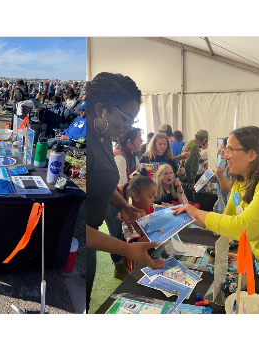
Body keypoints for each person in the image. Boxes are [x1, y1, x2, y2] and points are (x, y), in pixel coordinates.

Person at [172, 126, 259, 294]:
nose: (224, 155)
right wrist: (189, 216)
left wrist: (197, 212)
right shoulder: (240, 182)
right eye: (225, 149)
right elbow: (226, 219)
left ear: (252, 154)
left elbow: (243, 226)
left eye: (230, 150)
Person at [85, 72, 165, 313]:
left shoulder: (103, 136)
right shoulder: (85, 144)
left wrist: (122, 205)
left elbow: (102, 183)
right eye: (126, 118)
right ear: (101, 109)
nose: (128, 127)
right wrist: (127, 249)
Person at [106, 127, 143, 279]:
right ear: (130, 141)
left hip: (121, 200)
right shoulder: (120, 156)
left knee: (121, 233)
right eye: (139, 138)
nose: (141, 141)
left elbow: (141, 171)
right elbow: (121, 185)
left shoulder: (132, 155)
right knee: (115, 235)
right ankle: (118, 267)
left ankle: (122, 262)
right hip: (112, 201)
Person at [120, 168, 158, 272]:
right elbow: (136, 245)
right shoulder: (129, 219)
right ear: (136, 197)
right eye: (151, 196)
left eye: (154, 196)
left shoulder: (150, 208)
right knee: (137, 280)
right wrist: (157, 231)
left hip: (151, 253)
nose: (153, 200)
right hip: (137, 260)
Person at [214, 138, 233, 204]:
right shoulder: (223, 162)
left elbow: (229, 190)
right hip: (220, 201)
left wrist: (220, 175)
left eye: (222, 147)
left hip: (227, 203)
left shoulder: (231, 166)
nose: (219, 150)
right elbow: (218, 179)